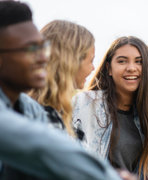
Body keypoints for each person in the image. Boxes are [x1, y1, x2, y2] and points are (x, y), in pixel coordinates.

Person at [0, 1, 124, 179]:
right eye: (31, 49)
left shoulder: (28, 108)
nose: (44, 58)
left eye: (43, 48)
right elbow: (43, 146)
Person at [72, 36, 148, 180]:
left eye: (139, 62)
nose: (131, 68)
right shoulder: (85, 102)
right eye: (122, 61)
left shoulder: (147, 112)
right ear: (109, 68)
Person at [29, 19, 95, 138]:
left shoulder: (23, 109)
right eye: (91, 61)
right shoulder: (46, 123)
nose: (93, 68)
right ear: (71, 63)